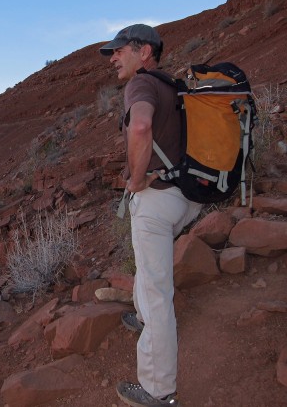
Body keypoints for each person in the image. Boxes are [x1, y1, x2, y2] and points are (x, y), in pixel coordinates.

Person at [99, 24, 202, 407]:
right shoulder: (171, 85)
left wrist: (137, 179)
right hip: (186, 197)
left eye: (118, 50)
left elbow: (141, 126)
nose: (112, 58)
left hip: (157, 202)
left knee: (159, 292)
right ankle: (141, 316)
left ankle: (160, 391)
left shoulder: (140, 85)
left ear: (144, 52)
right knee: (147, 265)